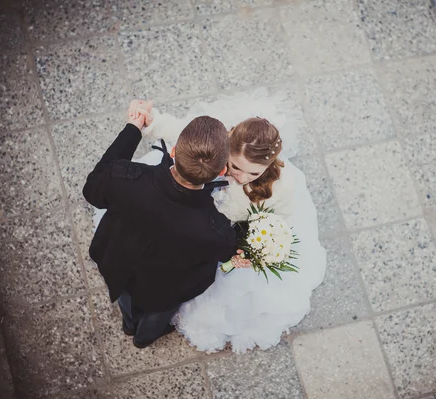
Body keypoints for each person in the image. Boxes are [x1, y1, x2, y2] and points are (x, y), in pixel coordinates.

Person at [125, 89, 327, 353]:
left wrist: (256, 249)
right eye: (235, 166)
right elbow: (182, 133)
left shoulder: (282, 187)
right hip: (187, 218)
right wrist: (152, 120)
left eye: (254, 172)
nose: (241, 177)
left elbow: (279, 222)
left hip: (220, 239)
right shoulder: (218, 144)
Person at [83, 100, 246, 349]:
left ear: (173, 151)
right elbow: (226, 252)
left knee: (125, 297)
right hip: (164, 289)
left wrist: (133, 128)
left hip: (117, 261)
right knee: (156, 315)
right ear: (222, 170)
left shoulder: (125, 178)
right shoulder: (214, 229)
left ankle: (129, 324)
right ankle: (143, 337)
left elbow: (92, 189)